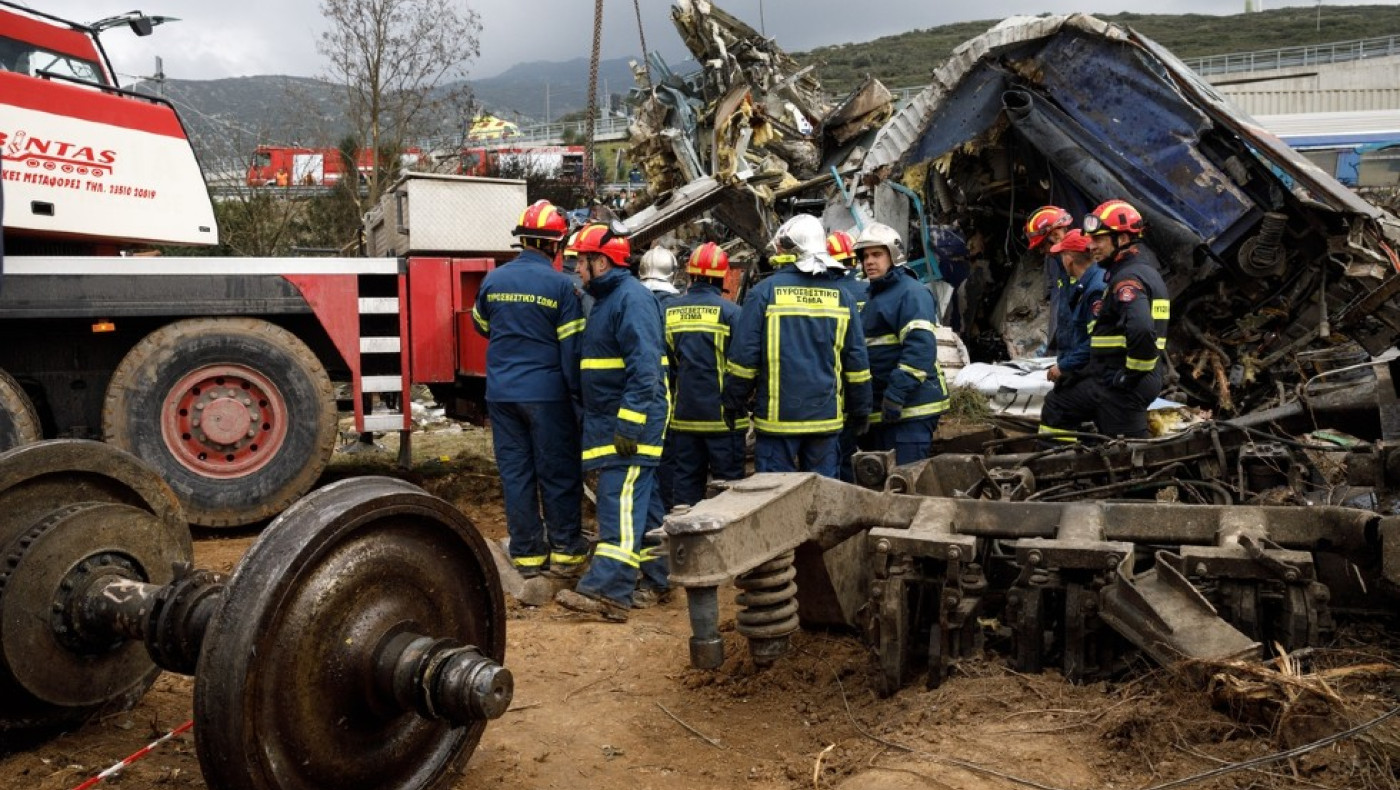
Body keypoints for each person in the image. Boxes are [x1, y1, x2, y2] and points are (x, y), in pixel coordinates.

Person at [555, 222, 669, 623]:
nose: (576, 270)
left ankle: (609, 590)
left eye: (580, 262)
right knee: (646, 505)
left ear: (600, 262)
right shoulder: (609, 299)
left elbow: (645, 369)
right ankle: (659, 575)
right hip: (616, 421)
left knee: (618, 501)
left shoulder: (631, 299)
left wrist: (630, 423)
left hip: (631, 424)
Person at [471, 200, 589, 584]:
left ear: (522, 239)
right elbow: (571, 347)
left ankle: (527, 555)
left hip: (502, 393)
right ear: (556, 244)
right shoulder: (561, 286)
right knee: (556, 472)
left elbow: (480, 324)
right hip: (547, 394)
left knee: (517, 474)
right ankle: (567, 554)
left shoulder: (495, 279)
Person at [723, 214, 872, 477]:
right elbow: (856, 361)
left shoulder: (764, 293)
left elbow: (744, 359)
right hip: (825, 421)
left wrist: (732, 401)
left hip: (777, 423)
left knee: (773, 499)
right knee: (823, 500)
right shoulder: (842, 297)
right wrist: (861, 409)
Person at [1038, 200, 1169, 442]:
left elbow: (1141, 329)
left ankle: (1060, 467)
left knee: (1128, 453)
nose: (1092, 246)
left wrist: (1129, 376)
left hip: (1123, 385)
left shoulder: (1126, 280)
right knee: (1061, 404)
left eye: (1099, 240)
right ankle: (1068, 461)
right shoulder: (1142, 271)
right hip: (1121, 379)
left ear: (1122, 240)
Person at [854, 222, 949, 464]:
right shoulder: (873, 295)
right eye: (865, 256)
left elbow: (919, 350)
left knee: (903, 483)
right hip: (884, 411)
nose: (869, 262)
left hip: (910, 409)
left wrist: (895, 395)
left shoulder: (911, 293)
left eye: (877, 254)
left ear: (893, 255)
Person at [666, 242, 746, 505]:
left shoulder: (669, 312)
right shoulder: (732, 313)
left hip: (683, 419)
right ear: (722, 276)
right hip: (723, 421)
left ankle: (683, 542)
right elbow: (743, 366)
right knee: (729, 490)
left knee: (686, 489)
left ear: (690, 274)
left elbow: (665, 366)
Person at [826, 229, 868, 482]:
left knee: (839, 456)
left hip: (835, 391)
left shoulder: (830, 295)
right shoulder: (870, 290)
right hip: (870, 386)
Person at [1044, 229, 1107, 392]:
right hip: (1081, 369)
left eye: (1062, 255)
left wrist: (1065, 366)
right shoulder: (1084, 285)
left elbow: (1095, 341)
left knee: (1055, 408)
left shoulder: (1095, 290)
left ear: (1069, 259)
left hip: (1089, 374)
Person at [1024, 205, 1075, 351]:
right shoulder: (1061, 266)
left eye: (1042, 245)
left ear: (1056, 236)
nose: (1042, 251)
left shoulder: (1081, 267)